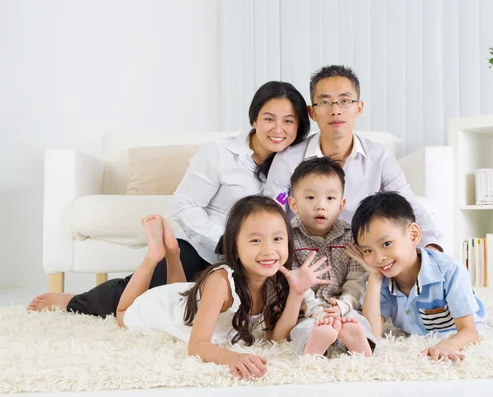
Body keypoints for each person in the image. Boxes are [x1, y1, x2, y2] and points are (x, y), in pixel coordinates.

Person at [28, 81, 311, 316]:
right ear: (254, 119)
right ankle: (73, 301)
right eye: (269, 119)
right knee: (144, 294)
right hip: (203, 249)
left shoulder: (293, 163)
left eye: (289, 121)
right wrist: (225, 240)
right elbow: (183, 205)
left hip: (256, 257)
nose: (278, 129)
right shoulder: (220, 153)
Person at [118, 196, 331, 380]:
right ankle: (154, 255)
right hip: (164, 308)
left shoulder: (273, 279)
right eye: (255, 240)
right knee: (123, 316)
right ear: (235, 249)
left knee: (182, 291)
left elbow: (274, 339)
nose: (269, 250)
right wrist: (232, 358)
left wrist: (297, 294)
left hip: (186, 297)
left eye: (277, 239)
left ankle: (173, 253)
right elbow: (196, 346)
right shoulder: (221, 282)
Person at [264, 65, 442, 251]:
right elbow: (273, 211)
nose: (336, 110)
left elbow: (408, 206)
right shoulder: (288, 160)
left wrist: (432, 247)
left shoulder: (379, 158)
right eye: (325, 102)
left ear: (359, 108)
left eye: (345, 101)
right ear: (312, 112)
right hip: (302, 258)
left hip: (365, 259)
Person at [346, 192, 486, 363]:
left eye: (386, 244)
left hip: (456, 330)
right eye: (368, 250)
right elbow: (373, 333)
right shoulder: (380, 279)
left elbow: (469, 331)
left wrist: (448, 346)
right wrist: (374, 278)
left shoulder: (449, 271)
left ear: (413, 235)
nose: (379, 258)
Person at [286, 157, 375, 356]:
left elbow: (356, 280)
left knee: (359, 322)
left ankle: (359, 344)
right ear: (293, 204)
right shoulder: (288, 239)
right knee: (301, 329)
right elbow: (295, 284)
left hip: (343, 307)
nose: (320, 206)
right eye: (310, 198)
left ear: (341, 205)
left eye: (330, 199)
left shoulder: (350, 236)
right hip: (307, 309)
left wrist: (344, 306)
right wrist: (317, 312)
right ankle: (314, 347)